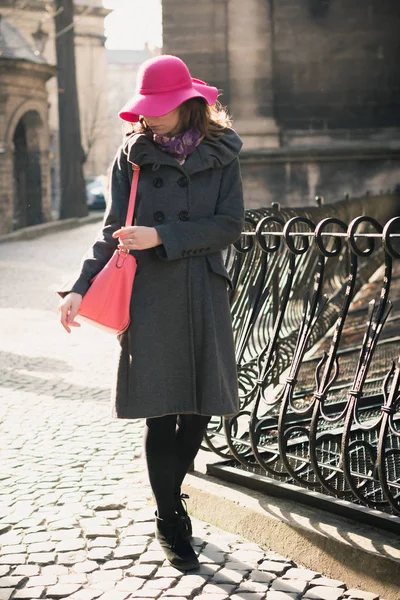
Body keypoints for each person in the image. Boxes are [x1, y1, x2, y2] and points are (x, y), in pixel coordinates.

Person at [58, 54, 244, 570]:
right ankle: (170, 517)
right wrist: (79, 287)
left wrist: (163, 235)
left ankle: (172, 491)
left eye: (160, 108)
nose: (151, 117)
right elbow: (111, 227)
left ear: (187, 104)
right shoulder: (133, 156)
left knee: (201, 408)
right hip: (151, 297)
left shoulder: (223, 153)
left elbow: (229, 225)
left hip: (203, 292)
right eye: (148, 108)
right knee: (161, 413)